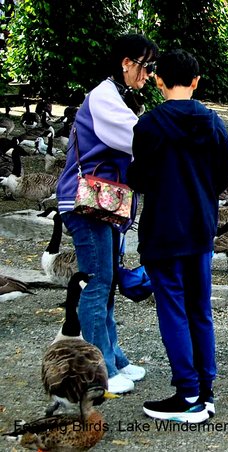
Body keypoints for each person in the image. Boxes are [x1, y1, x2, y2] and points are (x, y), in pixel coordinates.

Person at [129, 49, 228, 423]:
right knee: (199, 310)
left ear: (158, 81)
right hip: (200, 227)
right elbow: (227, 172)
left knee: (172, 309)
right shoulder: (212, 123)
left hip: (162, 229)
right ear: (196, 81)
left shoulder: (148, 126)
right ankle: (205, 392)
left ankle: (187, 394)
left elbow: (138, 180)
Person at [55, 33, 158, 396]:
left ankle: (115, 358)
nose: (147, 74)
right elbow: (137, 140)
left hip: (105, 204)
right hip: (86, 203)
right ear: (126, 63)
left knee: (107, 282)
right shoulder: (103, 97)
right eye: (145, 66)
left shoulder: (115, 96)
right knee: (98, 283)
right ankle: (99, 371)